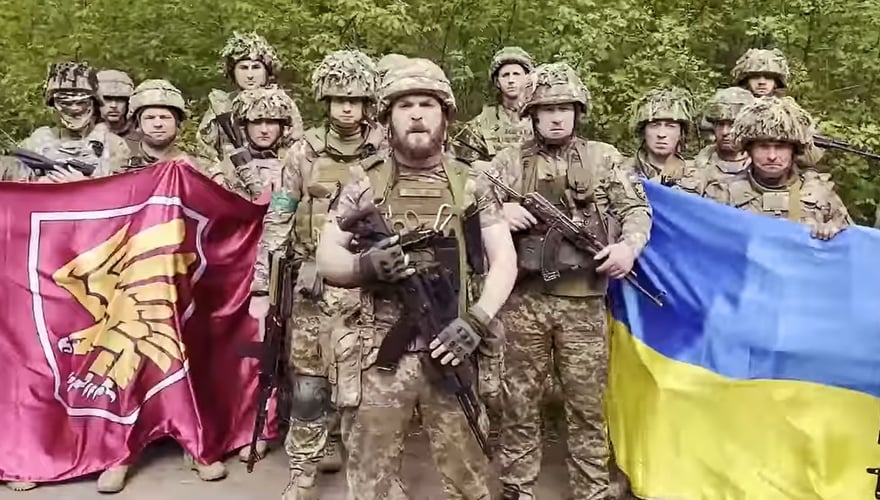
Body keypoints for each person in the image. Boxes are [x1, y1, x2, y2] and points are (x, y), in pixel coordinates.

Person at [311, 56, 517, 500]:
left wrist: (477, 320)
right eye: (405, 106)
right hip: (379, 350)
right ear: (387, 118)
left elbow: (505, 261)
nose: (417, 115)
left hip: (454, 341)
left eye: (427, 105)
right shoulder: (364, 181)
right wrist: (364, 267)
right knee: (370, 480)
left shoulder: (472, 182)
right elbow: (326, 255)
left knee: (470, 477)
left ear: (445, 115)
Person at [488, 62, 652, 500]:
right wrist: (499, 212)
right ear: (533, 114)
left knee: (587, 405)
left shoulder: (603, 158)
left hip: (584, 302)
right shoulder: (508, 161)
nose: (557, 117)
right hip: (523, 301)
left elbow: (636, 209)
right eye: (548, 109)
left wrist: (628, 248)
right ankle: (517, 487)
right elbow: (470, 208)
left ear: (578, 112)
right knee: (518, 402)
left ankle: (591, 489)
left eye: (565, 108)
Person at [704, 96, 851, 240]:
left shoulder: (820, 194)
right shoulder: (723, 194)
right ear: (749, 149)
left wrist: (835, 234)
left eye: (780, 147)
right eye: (763, 147)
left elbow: (853, 244)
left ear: (794, 150)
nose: (772, 156)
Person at [19, 61, 130, 182]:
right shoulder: (36, 142)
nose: (75, 109)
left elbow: (121, 188)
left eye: (82, 102)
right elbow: (17, 187)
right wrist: (39, 184)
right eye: (66, 103)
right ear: (54, 105)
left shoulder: (113, 145)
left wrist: (83, 184)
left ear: (94, 103)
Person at [197, 31, 289, 162]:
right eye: (243, 68)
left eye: (256, 67)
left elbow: (296, 150)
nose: (250, 75)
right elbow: (205, 154)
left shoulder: (282, 103)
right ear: (233, 72)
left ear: (266, 71)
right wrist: (219, 172)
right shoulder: (221, 106)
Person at [454, 46, 534, 162]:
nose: (511, 80)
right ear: (497, 82)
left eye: (516, 74)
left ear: (527, 79)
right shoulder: (481, 124)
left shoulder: (540, 119)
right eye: (505, 75)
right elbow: (464, 167)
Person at [623, 87, 695, 188]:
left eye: (670, 126)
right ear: (643, 131)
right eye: (654, 125)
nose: (661, 134)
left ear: (681, 133)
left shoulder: (697, 177)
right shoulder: (620, 173)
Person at [691, 87, 756, 189]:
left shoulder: (764, 169)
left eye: (732, 124)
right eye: (720, 124)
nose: (725, 132)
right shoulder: (695, 168)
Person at [96, 69, 140, 142]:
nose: (114, 105)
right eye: (107, 99)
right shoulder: (85, 134)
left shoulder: (141, 136)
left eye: (120, 99)